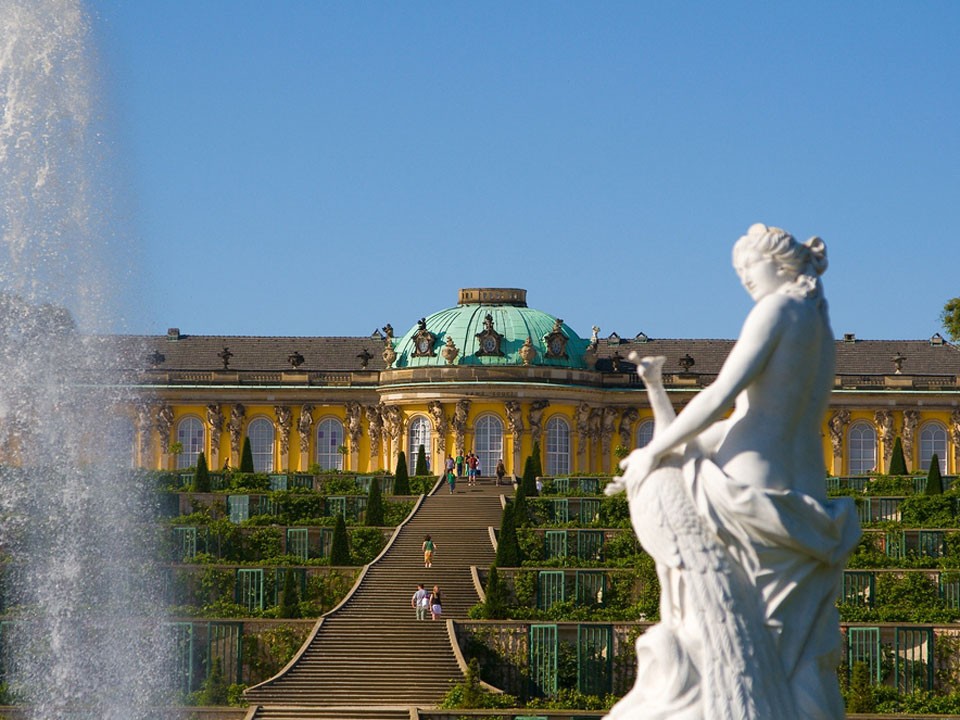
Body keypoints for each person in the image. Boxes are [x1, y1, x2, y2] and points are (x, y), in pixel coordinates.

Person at [606, 225, 860, 720]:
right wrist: (664, 428)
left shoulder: (778, 309)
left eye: (749, 266)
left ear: (779, 264)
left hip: (745, 493)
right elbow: (748, 418)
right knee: (794, 656)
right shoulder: (818, 326)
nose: (744, 277)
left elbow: (723, 395)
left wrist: (652, 452)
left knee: (729, 633)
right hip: (807, 496)